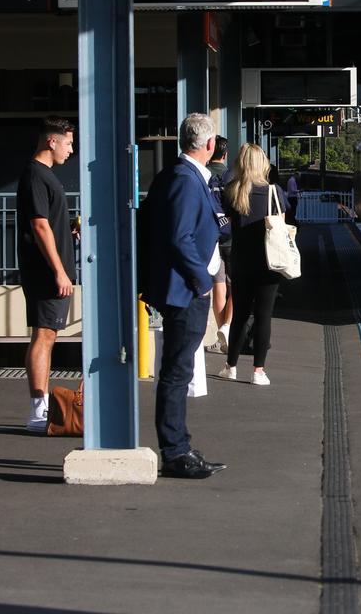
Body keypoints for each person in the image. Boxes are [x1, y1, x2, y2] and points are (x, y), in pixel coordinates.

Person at [143, 113, 227, 479]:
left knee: (180, 370)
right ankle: (175, 452)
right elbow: (180, 237)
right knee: (177, 372)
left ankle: (180, 445)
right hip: (186, 290)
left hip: (184, 287)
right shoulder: (185, 180)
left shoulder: (183, 176)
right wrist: (202, 281)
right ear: (209, 145)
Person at [16, 117, 77, 433]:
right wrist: (59, 271)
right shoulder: (36, 174)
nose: (71, 149)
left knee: (48, 336)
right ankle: (37, 411)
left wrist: (69, 234)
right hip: (46, 273)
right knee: (43, 335)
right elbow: (39, 225)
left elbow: (48, 223)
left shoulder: (44, 175)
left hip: (51, 271)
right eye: (68, 142)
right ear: (51, 141)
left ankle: (39, 409)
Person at [219, 143, 289, 386]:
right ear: (263, 164)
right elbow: (281, 226)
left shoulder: (231, 191)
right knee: (264, 316)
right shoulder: (274, 192)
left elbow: (223, 224)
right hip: (269, 263)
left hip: (240, 262)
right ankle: (258, 371)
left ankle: (231, 366)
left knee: (239, 314)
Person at [206, 136, 232, 354]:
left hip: (212, 239)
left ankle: (221, 336)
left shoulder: (203, 176)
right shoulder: (230, 176)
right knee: (238, 286)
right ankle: (227, 328)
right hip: (232, 238)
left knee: (219, 285)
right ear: (224, 154)